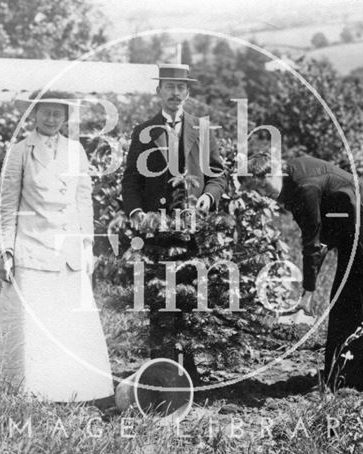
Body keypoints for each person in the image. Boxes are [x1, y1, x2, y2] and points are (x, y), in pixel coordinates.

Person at [240, 152, 363, 390]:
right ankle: (357, 372)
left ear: (274, 170)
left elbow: (312, 242)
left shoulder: (304, 187)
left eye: (263, 183)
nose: (263, 192)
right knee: (352, 297)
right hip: (358, 223)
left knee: (362, 296)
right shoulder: (292, 175)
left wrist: (308, 294)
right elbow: (322, 235)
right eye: (256, 188)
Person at [0, 91, 114, 403]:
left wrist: (87, 244)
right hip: (33, 246)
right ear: (34, 114)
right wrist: (7, 250)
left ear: (66, 118)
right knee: (35, 323)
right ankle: (34, 389)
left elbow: (83, 200)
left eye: (57, 114)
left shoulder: (76, 152)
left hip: (68, 249)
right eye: (45, 112)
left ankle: (74, 389)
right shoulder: (20, 151)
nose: (50, 119)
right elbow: (7, 207)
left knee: (68, 321)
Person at [121, 64, 227, 384]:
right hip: (157, 228)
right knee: (159, 298)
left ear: (188, 93)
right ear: (158, 92)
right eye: (168, 86)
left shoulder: (202, 130)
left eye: (181, 87)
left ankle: (188, 369)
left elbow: (218, 176)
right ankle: (161, 372)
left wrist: (207, 199)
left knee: (188, 297)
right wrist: (137, 213)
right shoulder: (143, 131)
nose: (174, 93)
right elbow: (131, 181)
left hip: (192, 229)